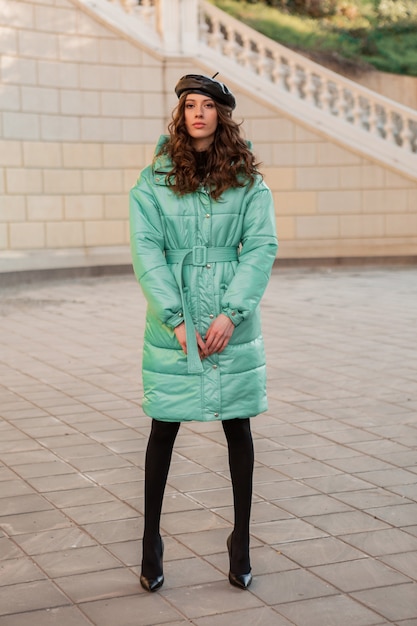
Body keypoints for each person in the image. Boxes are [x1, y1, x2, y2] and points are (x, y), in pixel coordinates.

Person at [129, 74, 278, 592]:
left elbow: (261, 247)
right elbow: (146, 252)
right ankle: (150, 540)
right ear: (180, 114)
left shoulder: (248, 180)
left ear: (221, 114)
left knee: (237, 428)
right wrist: (174, 319)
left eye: (207, 105)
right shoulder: (153, 180)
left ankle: (242, 540)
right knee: (162, 428)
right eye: (189, 105)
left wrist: (231, 313)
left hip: (228, 317)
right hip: (172, 317)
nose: (197, 112)